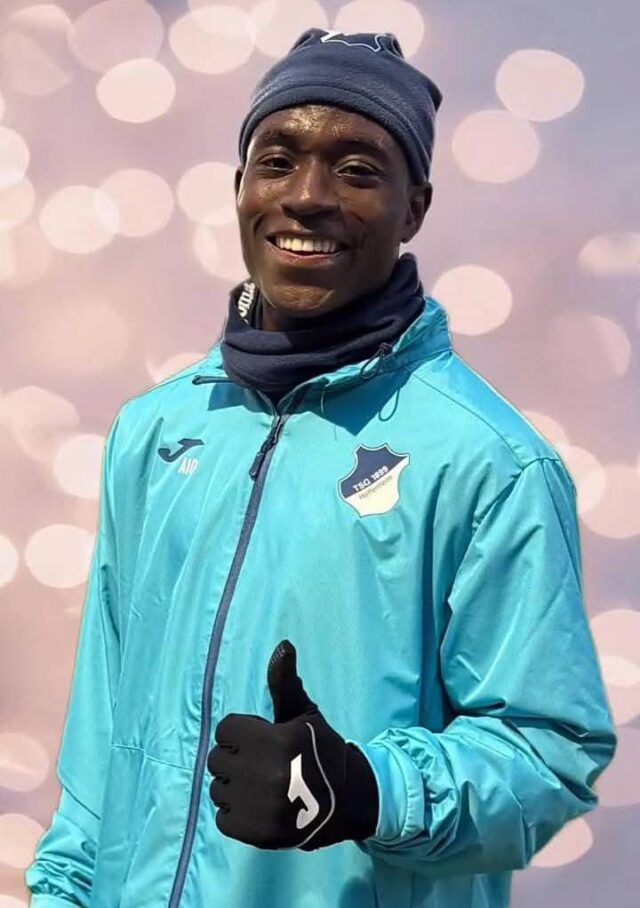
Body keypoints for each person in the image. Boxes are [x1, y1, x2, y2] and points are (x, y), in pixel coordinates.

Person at [26, 27, 616, 908]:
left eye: (357, 170)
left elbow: (549, 754)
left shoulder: (492, 464)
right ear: (240, 188)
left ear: (414, 209)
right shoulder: (156, 433)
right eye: (278, 161)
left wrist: (364, 789)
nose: (307, 197)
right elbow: (101, 751)